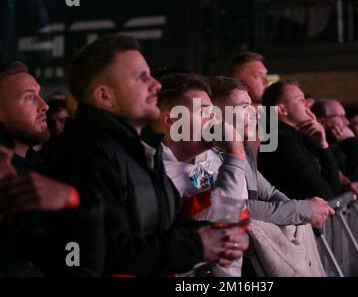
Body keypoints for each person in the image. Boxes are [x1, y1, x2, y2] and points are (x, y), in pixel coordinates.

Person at [46, 34, 248, 276]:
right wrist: (199, 244)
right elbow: (108, 253)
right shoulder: (85, 154)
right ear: (104, 96)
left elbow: (164, 220)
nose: (156, 85)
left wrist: (217, 236)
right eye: (142, 78)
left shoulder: (137, 149)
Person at [153, 74, 333, 276]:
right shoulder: (160, 171)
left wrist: (296, 216)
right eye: (204, 111)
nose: (212, 117)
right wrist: (300, 210)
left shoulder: (214, 154)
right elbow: (229, 212)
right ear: (171, 120)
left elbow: (253, 199)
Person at [0, 61, 81, 276]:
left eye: (39, 94)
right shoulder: (8, 180)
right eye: (29, 97)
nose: (44, 105)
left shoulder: (46, 164)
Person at [258, 80, 341, 200]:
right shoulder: (280, 142)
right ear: (282, 110)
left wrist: (322, 145)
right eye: (301, 100)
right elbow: (324, 194)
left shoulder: (292, 137)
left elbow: (332, 191)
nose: (308, 104)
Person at [312, 99, 358, 198]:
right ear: (321, 121)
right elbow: (356, 180)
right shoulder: (313, 150)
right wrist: (352, 143)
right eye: (341, 117)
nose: (346, 122)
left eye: (345, 117)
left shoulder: (336, 147)